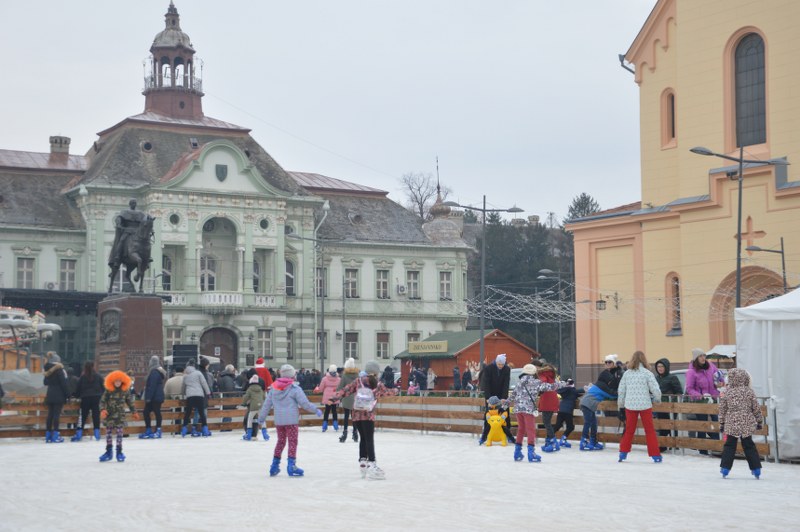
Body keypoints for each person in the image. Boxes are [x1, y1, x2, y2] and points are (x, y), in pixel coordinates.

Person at [333, 360, 399, 480]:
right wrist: (396, 390)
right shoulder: (377, 384)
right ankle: (372, 464)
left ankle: (363, 462)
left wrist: (335, 397)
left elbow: (346, 390)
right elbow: (387, 393)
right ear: (375, 372)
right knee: (369, 439)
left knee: (363, 438)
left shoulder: (358, 381)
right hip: (368, 415)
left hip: (356, 415)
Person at [258, 364, 321, 477]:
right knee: (292, 442)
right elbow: (304, 403)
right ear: (292, 375)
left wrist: (261, 419)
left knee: (280, 442)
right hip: (291, 421)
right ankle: (291, 465)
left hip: (279, 421)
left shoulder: (273, 389)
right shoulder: (294, 388)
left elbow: (266, 406)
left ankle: (274, 466)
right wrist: (315, 409)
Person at [508, 364, 565, 462]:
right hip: (528, 410)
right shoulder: (536, 382)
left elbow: (512, 396)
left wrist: (504, 404)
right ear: (534, 372)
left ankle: (517, 452)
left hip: (518, 409)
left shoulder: (519, 383)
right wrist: (563, 384)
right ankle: (531, 453)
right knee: (530, 430)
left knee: (521, 429)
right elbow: (551, 387)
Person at [617, 351, 663, 463]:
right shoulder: (647, 373)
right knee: (649, 430)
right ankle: (655, 455)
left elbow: (621, 391)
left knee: (629, 430)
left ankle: (623, 453)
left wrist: (621, 405)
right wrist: (657, 399)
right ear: (644, 360)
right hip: (645, 405)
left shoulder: (627, 374)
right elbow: (655, 389)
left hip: (630, 405)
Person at [718, 368, 763, 479]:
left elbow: (722, 409)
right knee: (749, 445)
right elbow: (756, 408)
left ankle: (725, 469)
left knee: (729, 446)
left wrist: (721, 423)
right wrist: (759, 421)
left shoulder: (728, 392)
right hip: (746, 422)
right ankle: (756, 469)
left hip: (732, 423)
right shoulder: (749, 391)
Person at [579, 353, 624, 451]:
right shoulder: (601, 385)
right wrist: (622, 393)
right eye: (606, 362)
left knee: (594, 422)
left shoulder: (601, 384)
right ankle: (583, 441)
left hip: (589, 404)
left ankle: (593, 441)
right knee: (588, 422)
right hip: (587, 403)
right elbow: (611, 394)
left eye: (610, 362)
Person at [685, 348, 721, 455]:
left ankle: (717, 446)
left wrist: (721, 380)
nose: (703, 358)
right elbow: (689, 389)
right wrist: (701, 396)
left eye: (704, 355)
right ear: (696, 358)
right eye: (700, 356)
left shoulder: (711, 366)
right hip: (700, 401)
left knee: (716, 422)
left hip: (713, 399)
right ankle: (702, 449)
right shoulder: (691, 372)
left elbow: (719, 376)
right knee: (703, 424)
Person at [98, 370, 139, 462]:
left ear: (122, 381)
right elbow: (102, 401)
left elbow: (130, 402)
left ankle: (119, 452)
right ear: (112, 381)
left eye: (119, 381)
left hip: (120, 416)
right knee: (108, 434)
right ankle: (108, 452)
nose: (117, 383)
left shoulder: (125, 391)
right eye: (116, 381)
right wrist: (103, 409)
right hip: (110, 416)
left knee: (119, 434)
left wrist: (134, 412)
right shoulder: (108, 390)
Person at [478, 354, 514, 445]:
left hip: (501, 395)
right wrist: (488, 398)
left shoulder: (507, 369)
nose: (500, 366)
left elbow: (506, 384)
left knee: (505, 414)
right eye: (499, 364)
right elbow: (486, 384)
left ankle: (508, 435)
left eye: (502, 364)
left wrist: (504, 398)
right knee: (489, 415)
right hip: (491, 395)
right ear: (496, 362)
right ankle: (485, 436)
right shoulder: (489, 368)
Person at [654, 357, 683, 452]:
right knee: (661, 424)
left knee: (672, 424)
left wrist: (672, 400)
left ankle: (674, 443)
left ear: (666, 367)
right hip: (659, 405)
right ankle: (662, 444)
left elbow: (679, 392)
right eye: (658, 366)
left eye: (662, 366)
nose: (660, 368)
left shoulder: (672, 378)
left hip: (670, 406)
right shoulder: (656, 378)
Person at [72, 361, 104, 441]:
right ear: (93, 366)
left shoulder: (82, 377)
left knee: (82, 416)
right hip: (96, 398)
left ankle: (79, 434)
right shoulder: (98, 376)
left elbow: (78, 389)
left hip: (85, 398)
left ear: (85, 367)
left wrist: (75, 395)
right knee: (96, 416)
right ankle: (97, 434)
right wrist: (101, 395)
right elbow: (104, 387)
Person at [180, 360, 211, 437]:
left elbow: (183, 387)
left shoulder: (185, 376)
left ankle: (184, 429)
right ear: (194, 366)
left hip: (190, 396)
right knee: (201, 413)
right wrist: (208, 393)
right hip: (199, 395)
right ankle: (205, 429)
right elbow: (204, 383)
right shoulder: (198, 373)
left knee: (188, 413)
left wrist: (182, 394)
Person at [43, 352, 69, 443]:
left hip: (49, 394)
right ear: (58, 361)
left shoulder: (47, 370)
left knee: (50, 415)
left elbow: (45, 382)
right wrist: (67, 395)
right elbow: (64, 384)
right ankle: (56, 436)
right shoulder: (60, 370)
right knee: (56, 415)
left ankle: (48, 435)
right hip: (58, 395)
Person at [139, 355, 166, 439]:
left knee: (155, 412)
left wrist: (148, 397)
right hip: (156, 396)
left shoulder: (154, 372)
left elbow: (152, 386)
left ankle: (157, 430)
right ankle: (149, 429)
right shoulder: (156, 371)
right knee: (147, 412)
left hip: (155, 397)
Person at [537, 363, 561, 452]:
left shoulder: (543, 374)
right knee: (547, 422)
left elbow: (542, 382)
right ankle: (548, 442)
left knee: (546, 422)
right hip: (552, 399)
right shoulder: (551, 375)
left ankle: (553, 442)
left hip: (547, 400)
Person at [553, 378, 583, 448]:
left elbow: (557, 391)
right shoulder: (574, 391)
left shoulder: (564, 390)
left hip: (561, 410)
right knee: (570, 427)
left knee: (558, 425)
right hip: (568, 411)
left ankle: (549, 437)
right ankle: (563, 439)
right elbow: (581, 391)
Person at [337, 358, 360, 443]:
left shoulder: (344, 376)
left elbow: (340, 388)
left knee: (346, 416)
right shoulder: (357, 375)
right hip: (355, 398)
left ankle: (345, 432)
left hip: (347, 398)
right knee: (354, 416)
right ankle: (355, 432)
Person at [314, 364, 341, 432]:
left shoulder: (325, 378)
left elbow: (321, 388)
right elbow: (340, 388)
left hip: (327, 397)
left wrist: (319, 390)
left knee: (327, 411)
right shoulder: (339, 379)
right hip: (335, 396)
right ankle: (335, 425)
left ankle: (324, 425)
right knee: (334, 411)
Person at [240, 374, 267, 441]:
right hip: (260, 406)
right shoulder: (260, 389)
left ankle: (249, 434)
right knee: (262, 419)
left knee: (250, 419)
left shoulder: (250, 389)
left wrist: (243, 403)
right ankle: (265, 434)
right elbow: (264, 397)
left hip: (253, 407)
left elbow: (246, 397)